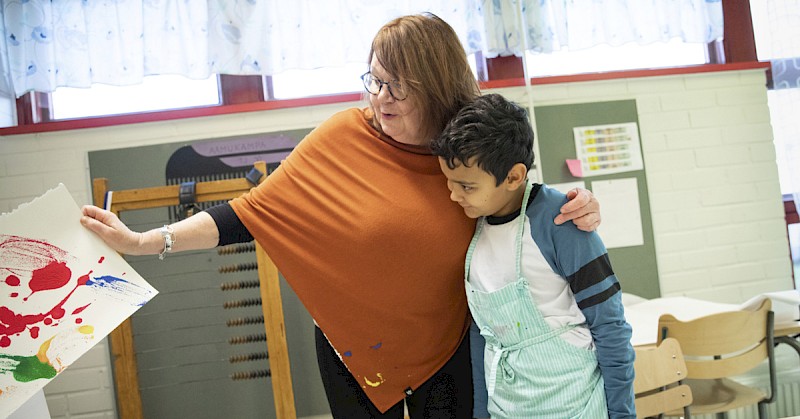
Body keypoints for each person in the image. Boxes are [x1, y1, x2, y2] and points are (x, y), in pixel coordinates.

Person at [80, 14, 602, 419]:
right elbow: (249, 213)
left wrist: (576, 206)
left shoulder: (468, 144)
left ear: (435, 84)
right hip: (353, 349)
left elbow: (517, 198)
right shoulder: (343, 137)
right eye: (374, 80)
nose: (380, 97)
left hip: (449, 347)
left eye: (397, 86)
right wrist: (147, 242)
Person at [430, 93, 635, 419]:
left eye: (466, 187)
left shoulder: (561, 221)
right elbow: (482, 334)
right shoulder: (473, 222)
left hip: (577, 407)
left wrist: (622, 414)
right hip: (508, 408)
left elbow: (610, 326)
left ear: (514, 177)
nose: (454, 196)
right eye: (449, 183)